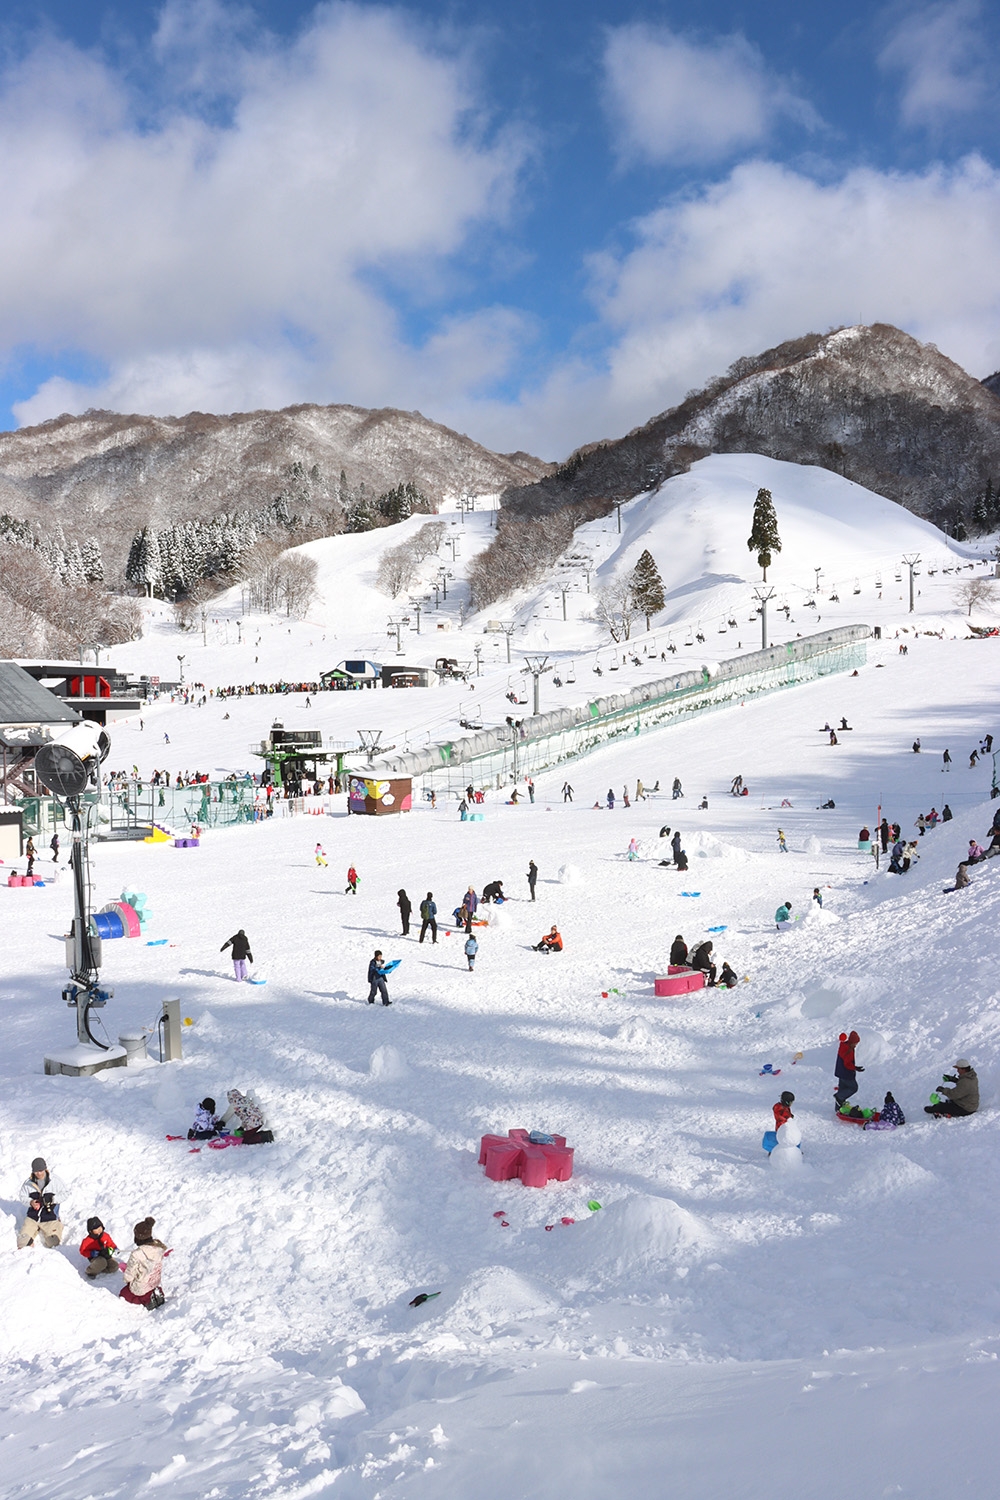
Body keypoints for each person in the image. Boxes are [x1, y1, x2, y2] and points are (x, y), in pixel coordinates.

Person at [17, 1157, 66, 1248]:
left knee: (54, 1243)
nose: (38, 1173)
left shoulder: (55, 1181)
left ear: (45, 1169)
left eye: (40, 1170)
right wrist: (30, 1202)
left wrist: (53, 1199)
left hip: (49, 1216)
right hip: (33, 1217)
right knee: (22, 1244)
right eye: (36, 1171)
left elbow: (65, 1194)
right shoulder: (28, 1183)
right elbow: (22, 1196)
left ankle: (57, 1224)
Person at [119, 1217, 167, 1308]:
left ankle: (147, 1299)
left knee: (124, 1294)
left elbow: (130, 1271)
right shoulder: (159, 1249)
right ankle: (155, 1292)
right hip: (154, 1282)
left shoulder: (137, 1254)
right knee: (147, 1283)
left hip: (142, 1285)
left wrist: (127, 1280)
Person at [834, 1030, 863, 1109]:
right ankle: (838, 1097)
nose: (856, 1045)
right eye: (856, 1043)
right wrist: (855, 1068)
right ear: (852, 1042)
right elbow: (847, 1064)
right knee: (853, 1087)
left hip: (840, 1072)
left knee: (842, 1088)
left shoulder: (844, 1046)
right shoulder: (848, 1050)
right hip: (846, 1073)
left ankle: (838, 1108)